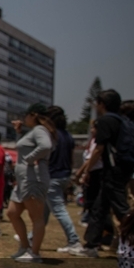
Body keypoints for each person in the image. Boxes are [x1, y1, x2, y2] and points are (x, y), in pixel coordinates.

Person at [74, 90, 134, 259]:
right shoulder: (122, 121)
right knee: (100, 207)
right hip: (122, 168)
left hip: (113, 170)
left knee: (121, 208)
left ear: (102, 104)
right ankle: (91, 244)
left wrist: (86, 171)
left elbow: (99, 149)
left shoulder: (106, 121)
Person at [6, 103, 55, 263]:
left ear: (33, 115)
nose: (24, 118)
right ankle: (25, 247)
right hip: (23, 180)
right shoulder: (33, 132)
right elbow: (24, 147)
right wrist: (19, 132)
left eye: (26, 115)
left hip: (34, 179)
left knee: (36, 217)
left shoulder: (40, 130)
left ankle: (35, 253)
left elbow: (46, 146)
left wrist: (30, 158)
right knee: (12, 213)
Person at [43, 106, 82, 255]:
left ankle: (74, 241)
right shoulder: (67, 135)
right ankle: (32, 238)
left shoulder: (51, 136)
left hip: (53, 175)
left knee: (59, 210)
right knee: (44, 210)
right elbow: (71, 159)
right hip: (64, 175)